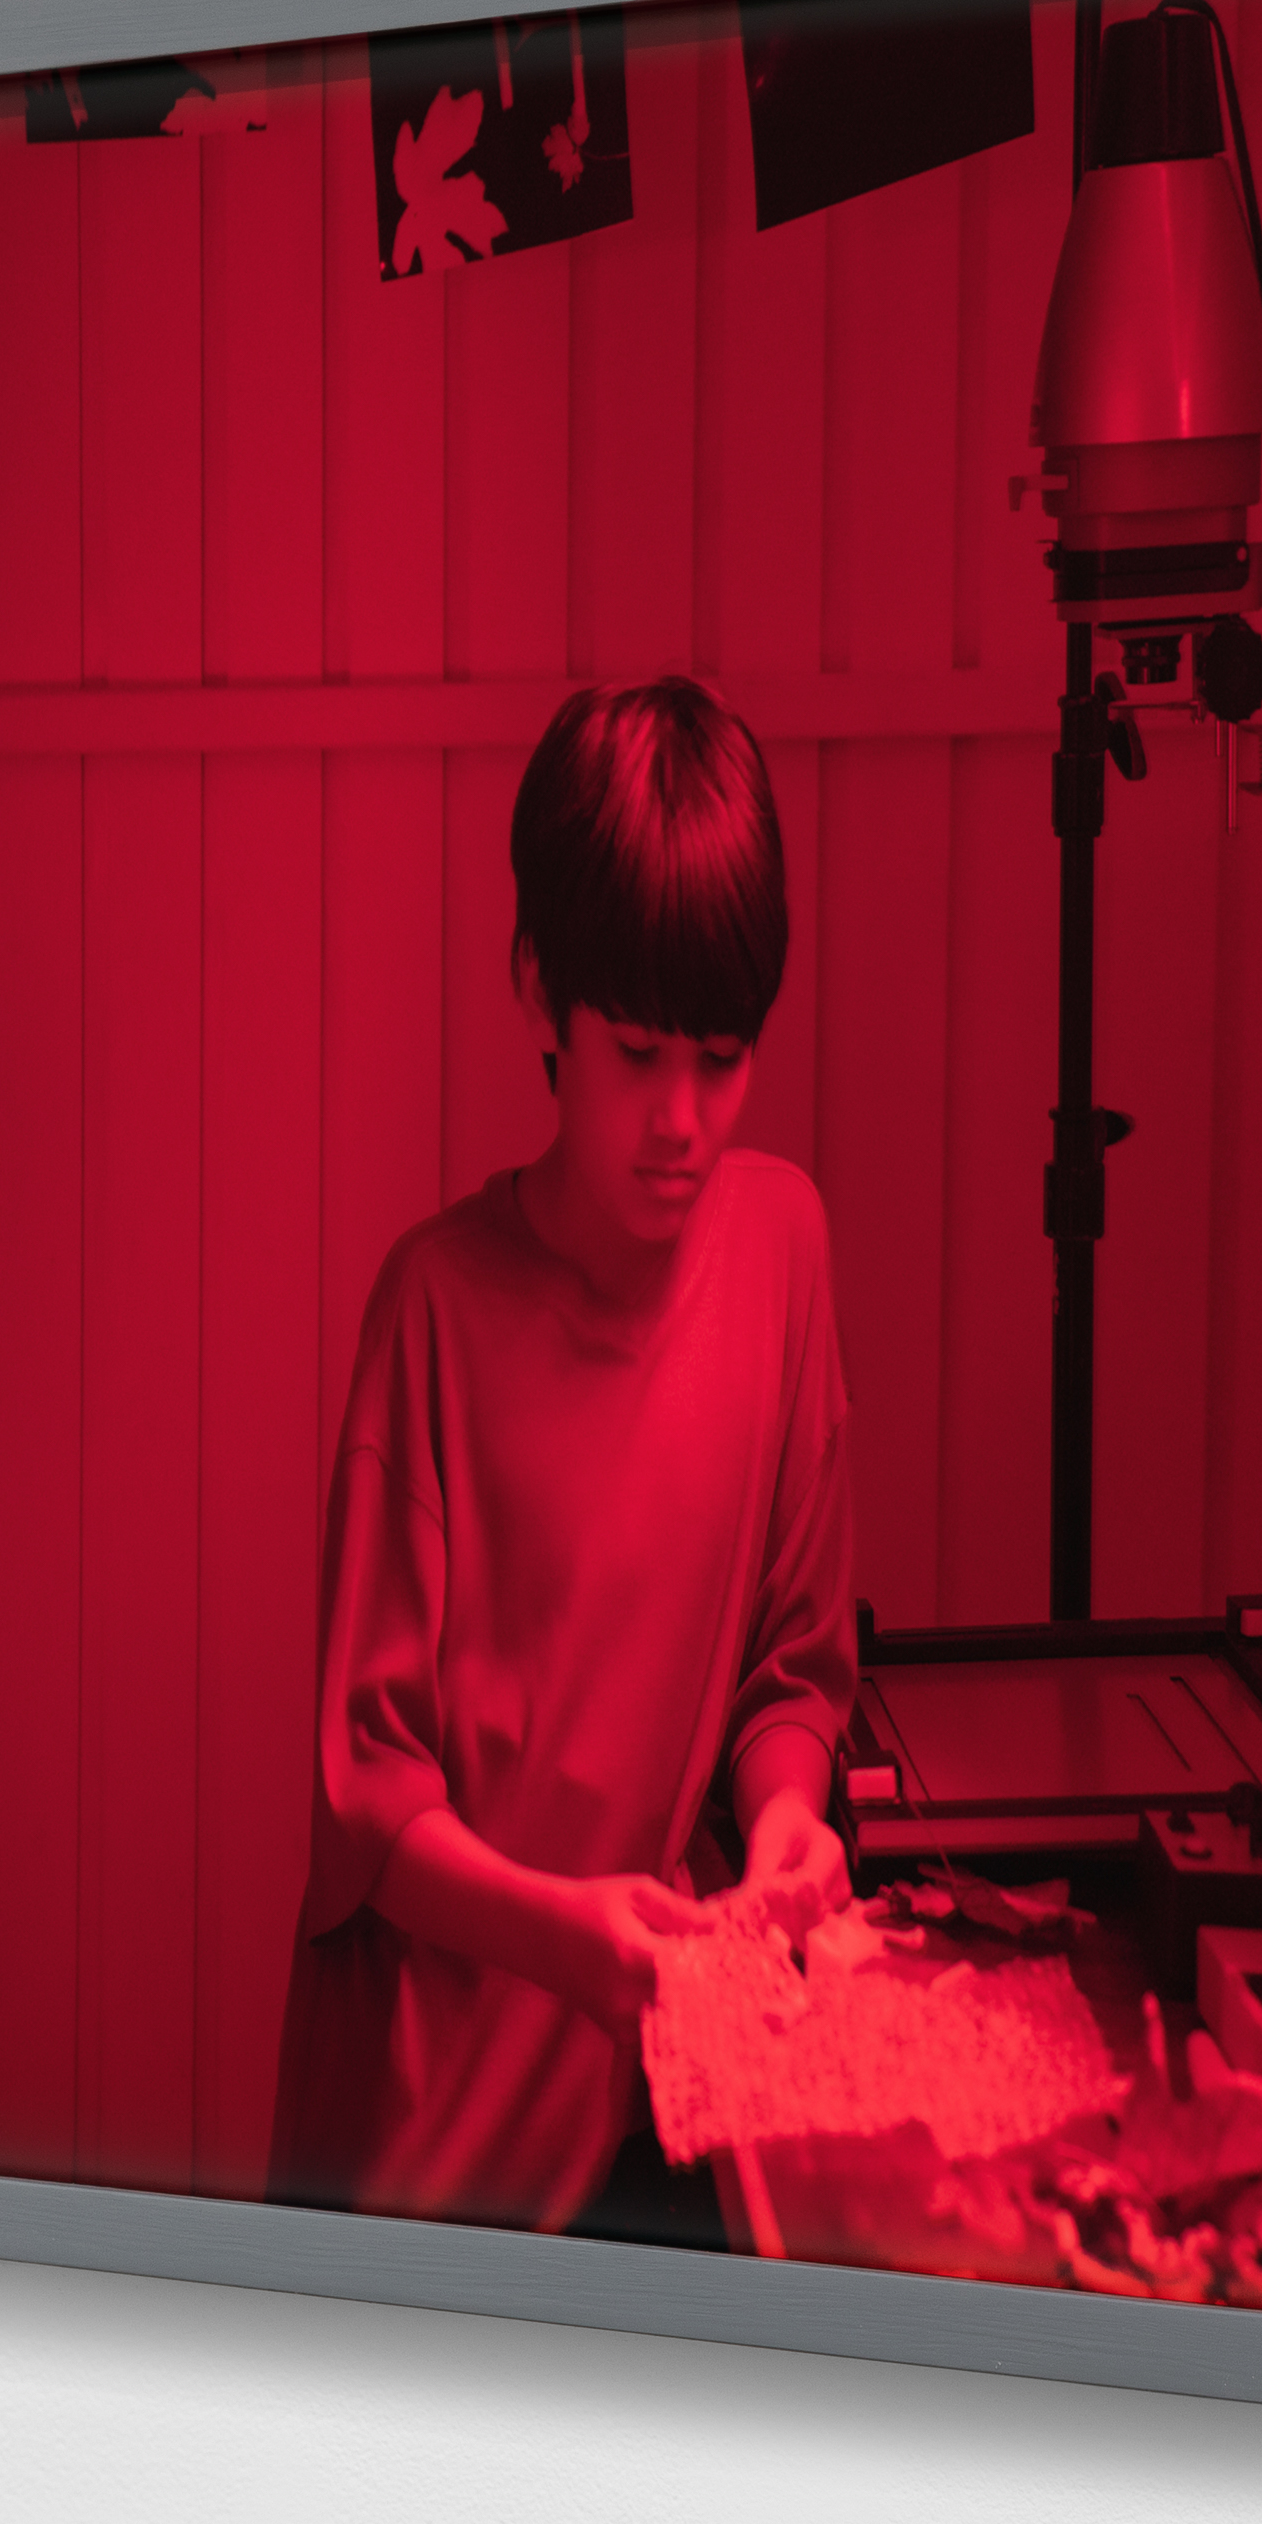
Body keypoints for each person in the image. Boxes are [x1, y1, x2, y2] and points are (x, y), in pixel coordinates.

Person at [265, 674, 856, 2234]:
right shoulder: (436, 1309)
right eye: (638, 1052)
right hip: (427, 2141)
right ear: (541, 995)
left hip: (644, 2104)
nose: (682, 1120)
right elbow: (366, 1806)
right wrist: (564, 1937)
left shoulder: (782, 1249)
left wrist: (787, 1824)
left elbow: (790, 1670)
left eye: (721, 1058)